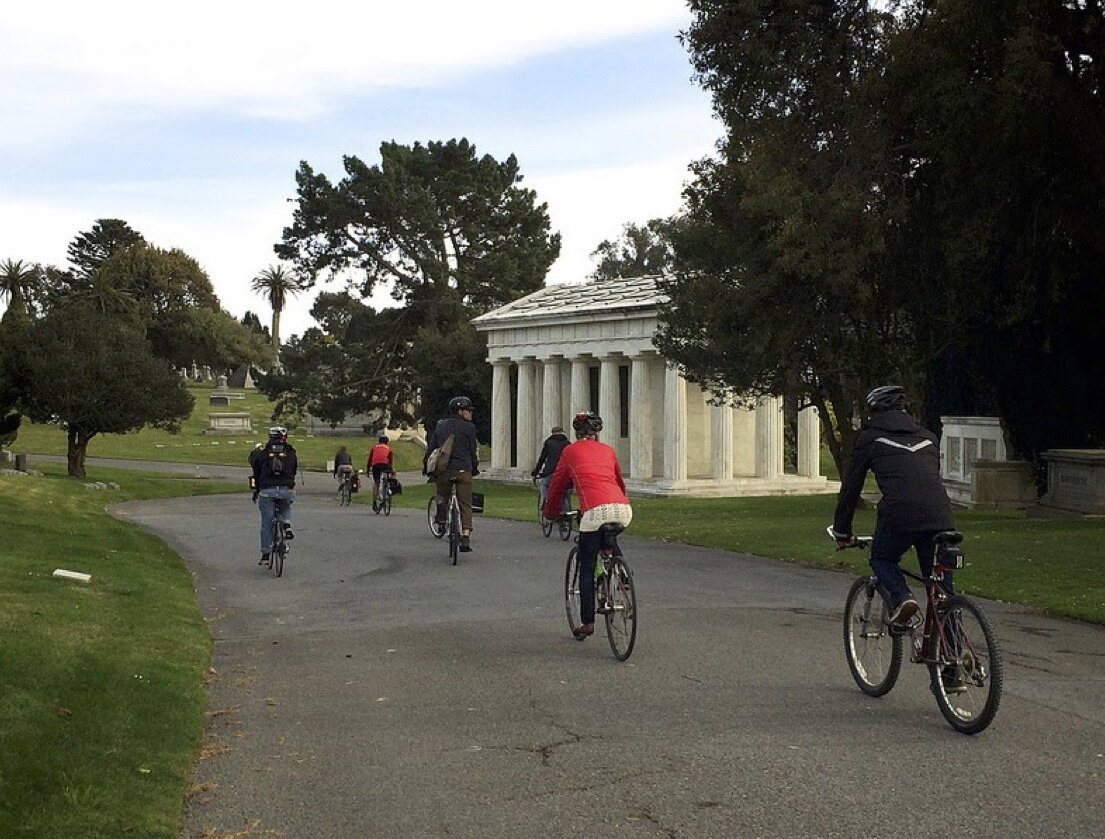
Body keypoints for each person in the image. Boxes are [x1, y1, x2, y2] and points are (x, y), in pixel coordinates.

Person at [831, 385, 957, 626]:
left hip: (900, 515)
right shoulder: (928, 438)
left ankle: (902, 598)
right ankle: (954, 656)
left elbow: (851, 489)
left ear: (874, 411)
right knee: (942, 592)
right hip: (941, 516)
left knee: (882, 559)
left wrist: (842, 531)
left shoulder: (869, 439)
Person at [545, 411, 632, 640]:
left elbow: (558, 485)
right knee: (609, 539)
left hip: (594, 510)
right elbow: (618, 481)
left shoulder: (570, 451)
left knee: (586, 564)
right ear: (597, 433)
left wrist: (551, 512)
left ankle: (587, 622)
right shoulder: (608, 450)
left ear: (576, 432)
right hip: (622, 508)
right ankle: (621, 573)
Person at [423, 396, 479, 552]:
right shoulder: (470, 428)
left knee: (442, 495)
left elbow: (432, 448)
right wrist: (474, 468)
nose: (470, 413)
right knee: (465, 504)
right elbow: (472, 451)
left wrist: (426, 467)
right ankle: (466, 535)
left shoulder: (441, 426)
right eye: (468, 410)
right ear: (460, 411)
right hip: (464, 470)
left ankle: (441, 518)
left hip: (445, 470)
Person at [251, 426, 298, 565]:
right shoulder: (290, 452)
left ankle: (266, 554)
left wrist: (257, 490)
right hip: (286, 489)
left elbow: (256, 472)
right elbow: (294, 469)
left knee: (266, 523)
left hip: (267, 490)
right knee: (286, 505)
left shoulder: (263, 453)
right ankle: (287, 524)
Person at [531, 425, 571, 514]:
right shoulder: (567, 443)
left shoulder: (549, 443)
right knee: (564, 494)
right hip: (565, 472)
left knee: (544, 485)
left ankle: (549, 502)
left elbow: (542, 458)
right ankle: (567, 517)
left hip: (551, 471)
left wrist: (536, 472)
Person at [367, 435, 395, 512]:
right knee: (388, 476)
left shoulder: (374, 447)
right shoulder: (389, 448)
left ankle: (374, 503)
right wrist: (391, 470)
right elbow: (390, 461)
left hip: (375, 465)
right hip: (385, 465)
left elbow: (369, 460)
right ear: (387, 442)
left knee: (376, 483)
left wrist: (367, 470)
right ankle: (388, 487)